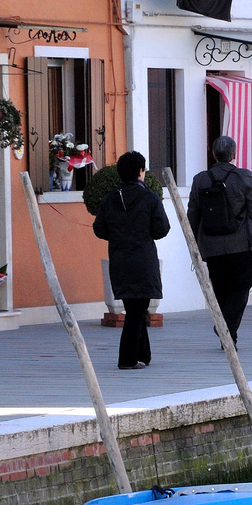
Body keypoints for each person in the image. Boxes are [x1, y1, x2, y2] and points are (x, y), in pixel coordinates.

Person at [93, 151, 170, 369]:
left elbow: (99, 229)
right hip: (143, 260)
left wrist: (119, 234)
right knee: (136, 311)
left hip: (119, 259)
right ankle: (126, 359)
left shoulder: (109, 198)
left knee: (135, 308)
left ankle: (144, 355)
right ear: (140, 172)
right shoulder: (150, 198)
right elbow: (162, 228)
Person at [188, 136, 252, 345]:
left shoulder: (200, 180)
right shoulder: (244, 177)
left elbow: (193, 214)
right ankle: (227, 328)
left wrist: (195, 242)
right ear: (234, 154)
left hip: (212, 246)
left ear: (214, 154)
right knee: (242, 286)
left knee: (221, 289)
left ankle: (227, 332)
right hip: (240, 244)